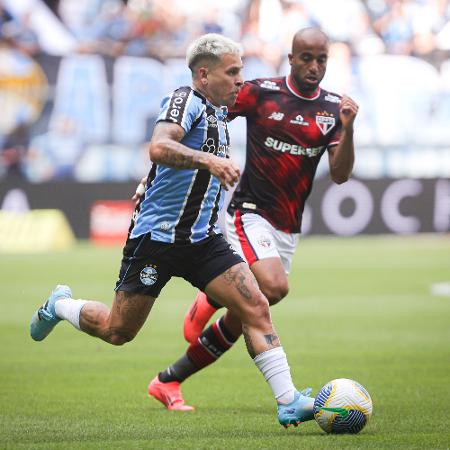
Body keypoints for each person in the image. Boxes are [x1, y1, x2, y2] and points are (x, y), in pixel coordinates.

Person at [29, 33, 314, 428]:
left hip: (202, 240)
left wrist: (155, 177)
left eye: (241, 72)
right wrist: (210, 163)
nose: (239, 81)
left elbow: (164, 162)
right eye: (232, 72)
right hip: (157, 239)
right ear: (203, 73)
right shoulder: (186, 100)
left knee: (256, 306)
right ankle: (59, 305)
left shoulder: (218, 110)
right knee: (117, 331)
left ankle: (289, 401)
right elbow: (161, 145)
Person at [147, 28, 359, 412]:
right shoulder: (261, 92)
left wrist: (349, 128)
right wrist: (156, 172)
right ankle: (211, 296)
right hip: (249, 211)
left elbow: (341, 174)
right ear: (291, 59)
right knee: (272, 288)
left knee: (257, 303)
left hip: (287, 224)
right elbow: (202, 116)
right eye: (306, 58)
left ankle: (169, 379)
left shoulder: (332, 109)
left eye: (321, 59)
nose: (314, 66)